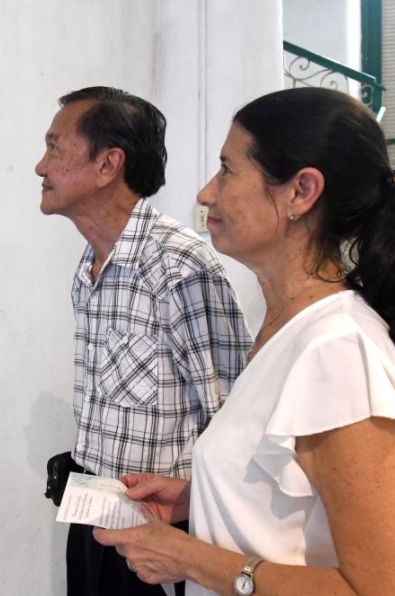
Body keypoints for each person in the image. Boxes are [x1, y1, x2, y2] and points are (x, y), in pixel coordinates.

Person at [92, 87, 395, 596]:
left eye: (227, 170)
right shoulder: (288, 329)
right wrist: (203, 498)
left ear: (300, 192)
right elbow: (302, 503)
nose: (205, 193)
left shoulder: (336, 350)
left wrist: (191, 557)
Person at [35, 86, 251, 596]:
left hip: (162, 536)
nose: (41, 166)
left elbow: (234, 420)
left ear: (108, 164)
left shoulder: (179, 268)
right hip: (94, 515)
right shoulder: (88, 267)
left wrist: (208, 540)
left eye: (55, 148)